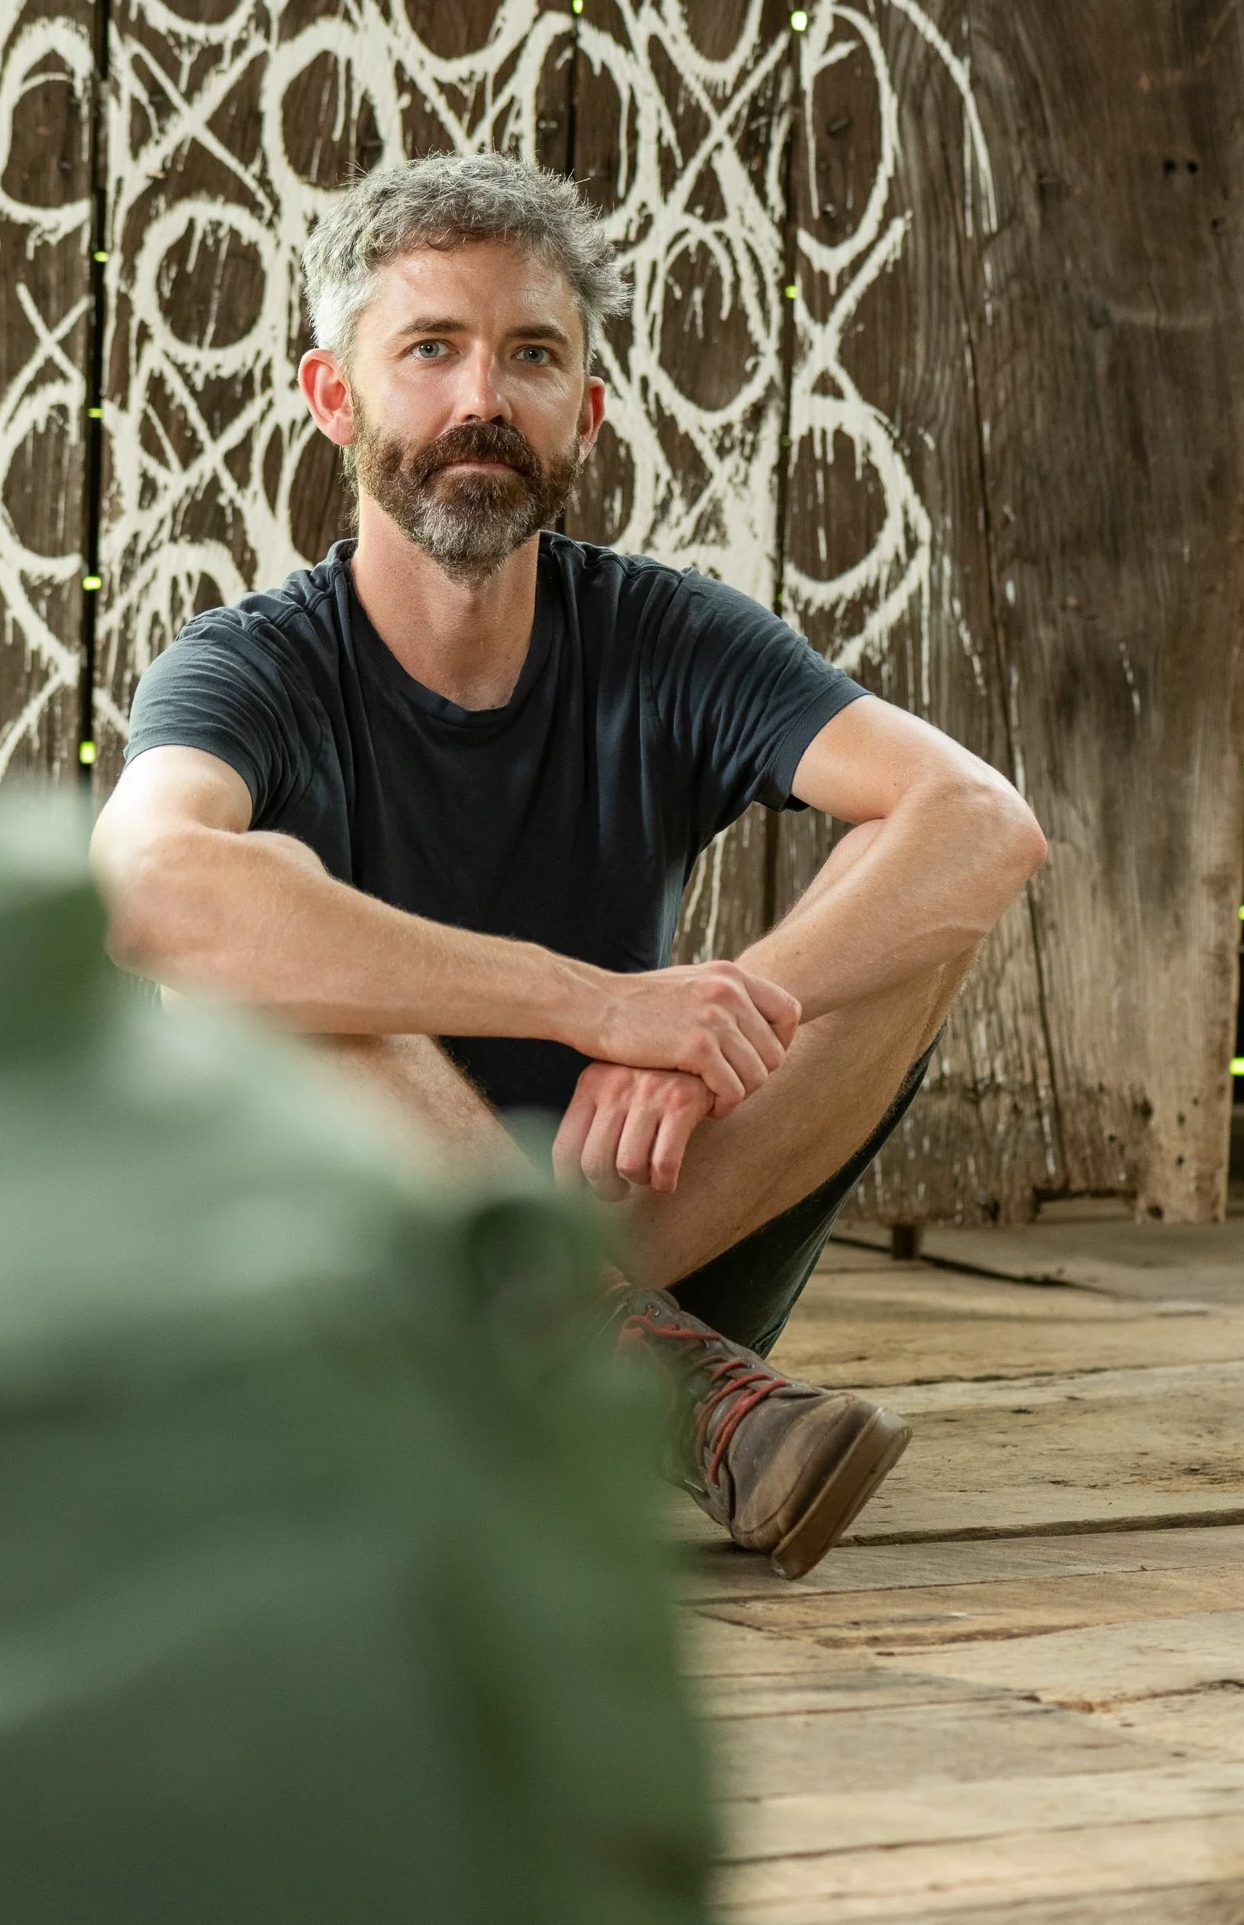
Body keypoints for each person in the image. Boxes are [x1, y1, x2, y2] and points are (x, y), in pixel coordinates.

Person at [90, 154, 1046, 1579]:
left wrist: (725, 1010)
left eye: (530, 355)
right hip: (346, 1274)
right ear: (333, 398)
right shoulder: (253, 668)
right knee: (253, 910)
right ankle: (621, 1371)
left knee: (916, 905)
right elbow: (145, 887)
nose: (483, 397)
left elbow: (983, 822)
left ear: (583, 414)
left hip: (650, 1212)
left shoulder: (665, 635)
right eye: (430, 350)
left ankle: (582, 1359)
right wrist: (595, 1005)